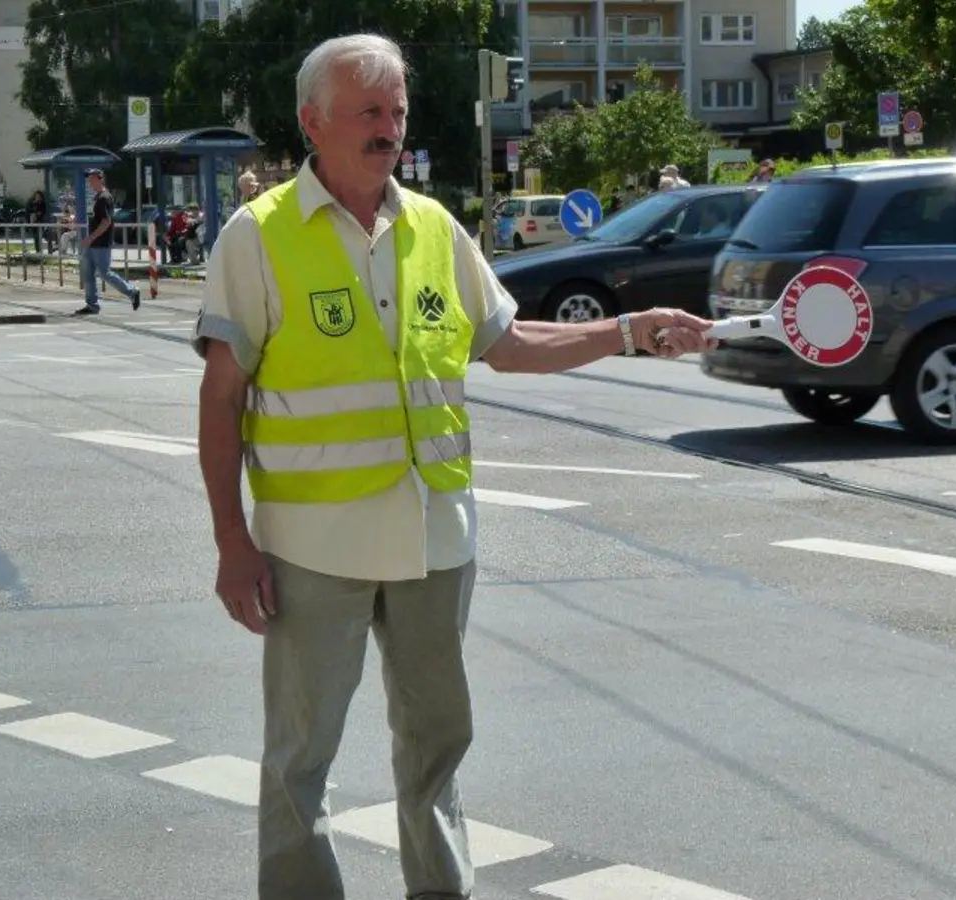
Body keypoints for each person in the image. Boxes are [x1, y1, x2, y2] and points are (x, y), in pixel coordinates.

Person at [191, 32, 714, 900]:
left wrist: (629, 330)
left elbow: (507, 342)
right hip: (314, 545)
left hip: (436, 540)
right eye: (368, 111)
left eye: (397, 110)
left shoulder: (433, 226)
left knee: (438, 747)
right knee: (301, 758)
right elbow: (220, 398)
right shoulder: (259, 235)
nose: (388, 127)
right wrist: (230, 542)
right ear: (312, 121)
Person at [73, 169, 142, 315]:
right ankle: (92, 304)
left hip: (101, 243)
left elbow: (106, 222)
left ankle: (132, 291)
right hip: (93, 243)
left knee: (105, 273)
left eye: (92, 179)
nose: (90, 182)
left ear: (100, 179)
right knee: (88, 273)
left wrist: (90, 238)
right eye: (89, 179)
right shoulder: (97, 197)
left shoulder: (104, 197)